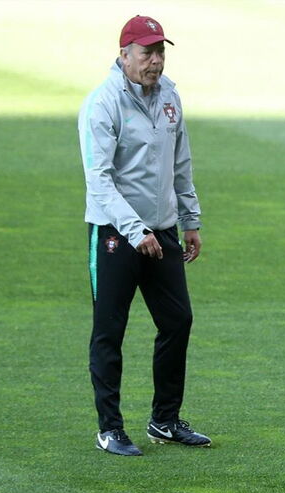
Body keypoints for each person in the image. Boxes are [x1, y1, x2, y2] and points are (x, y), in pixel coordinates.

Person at [78, 15, 211, 456]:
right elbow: (99, 180)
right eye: (147, 52)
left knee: (178, 321)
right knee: (109, 331)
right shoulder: (103, 104)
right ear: (124, 55)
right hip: (116, 235)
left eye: (160, 52)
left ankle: (164, 420)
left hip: (163, 230)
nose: (155, 61)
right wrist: (135, 231)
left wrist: (189, 219)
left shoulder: (169, 96)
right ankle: (109, 428)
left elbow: (180, 163)